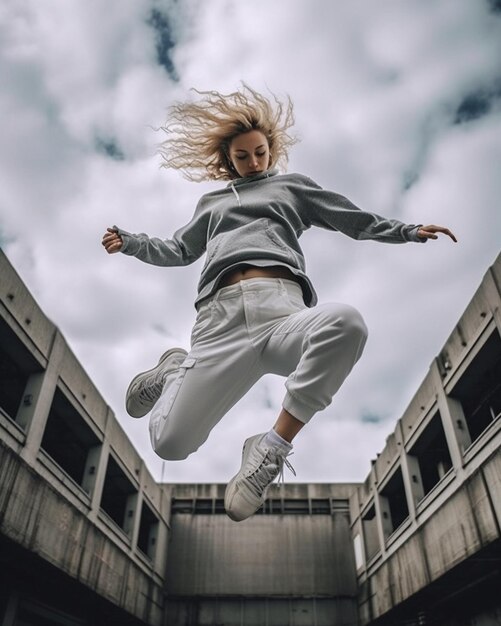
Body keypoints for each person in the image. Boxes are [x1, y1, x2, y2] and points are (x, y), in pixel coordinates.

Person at [102, 85, 456, 522]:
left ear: (271, 151)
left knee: (346, 323)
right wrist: (131, 242)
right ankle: (175, 369)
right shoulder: (211, 203)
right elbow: (178, 249)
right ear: (228, 160)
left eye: (260, 153)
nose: (253, 162)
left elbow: (352, 219)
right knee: (170, 445)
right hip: (220, 323)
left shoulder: (293, 188)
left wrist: (406, 230)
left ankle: (271, 448)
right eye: (243, 156)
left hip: (282, 313)